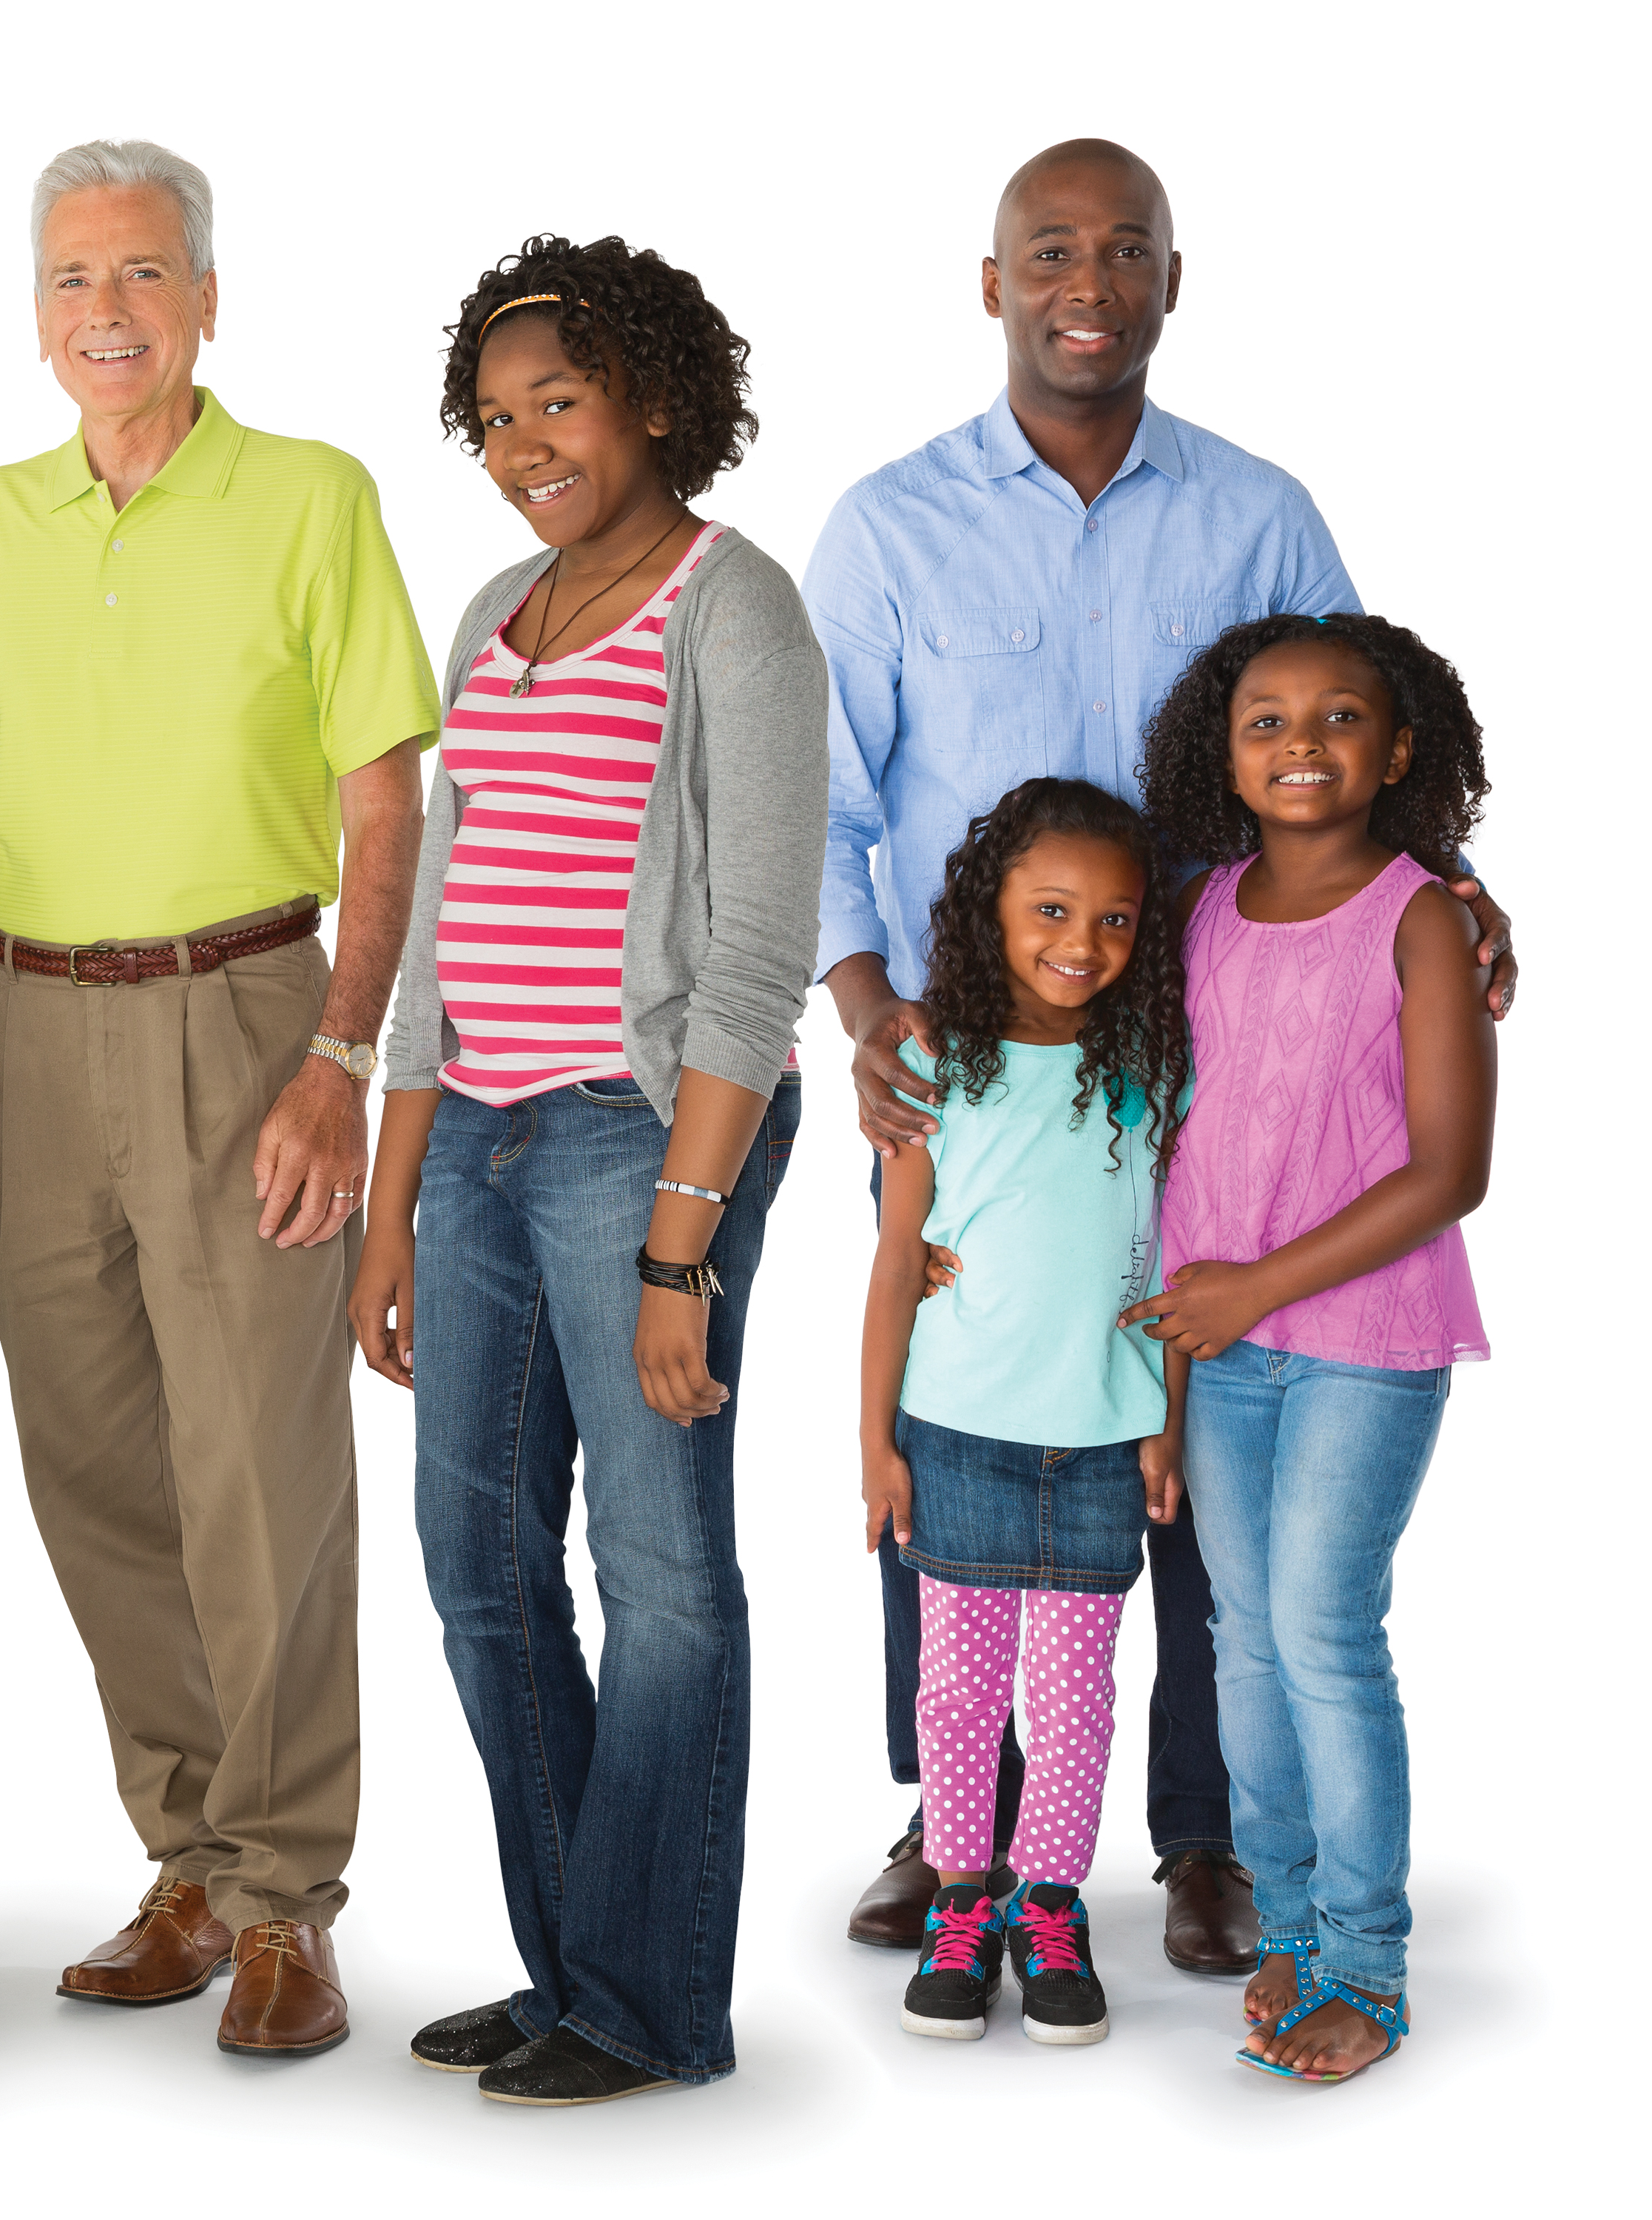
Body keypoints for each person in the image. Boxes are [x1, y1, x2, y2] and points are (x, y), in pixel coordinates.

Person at [806, 139, 1517, 1971]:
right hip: (976, 1055)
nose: (1088, 281)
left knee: (1188, 1386)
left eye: (1127, 250)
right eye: (1051, 250)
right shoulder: (889, 527)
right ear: (991, 283)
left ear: (1173, 283)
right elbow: (825, 804)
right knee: (973, 1356)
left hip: (1214, 1049)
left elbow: (1365, 725)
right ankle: (950, 1817)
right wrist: (872, 1008)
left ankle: (1202, 1831)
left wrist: (1461, 897)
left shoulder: (1263, 510)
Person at [0, 139, 431, 2064]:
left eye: (136, 274)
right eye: (65, 279)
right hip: (23, 1032)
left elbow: (383, 804)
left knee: (255, 1470)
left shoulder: (307, 499)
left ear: (205, 299)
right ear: (32, 315)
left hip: (240, 1013)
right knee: (96, 1466)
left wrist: (337, 1063)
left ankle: (289, 1895)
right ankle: (188, 1855)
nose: (100, 310)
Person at [355, 239, 820, 2106]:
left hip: (646, 1138)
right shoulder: (495, 614)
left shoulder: (736, 605)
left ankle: (652, 2004)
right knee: (477, 1565)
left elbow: (760, 952)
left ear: (652, 395)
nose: (526, 442)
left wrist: (678, 1248)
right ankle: (572, 1971)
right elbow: (441, 930)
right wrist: (390, 1200)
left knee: (660, 1568)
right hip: (473, 1132)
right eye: (494, 418)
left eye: (558, 399)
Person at [1133, 613, 1491, 2085]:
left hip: (1364, 1338)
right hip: (1218, 1352)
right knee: (1243, 1645)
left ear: (1398, 750)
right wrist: (1166, 1378)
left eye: (1338, 719)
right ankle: (1283, 1917)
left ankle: (1369, 1963)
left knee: (1325, 1638)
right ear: (1224, 752)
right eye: (1265, 720)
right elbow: (1171, 1159)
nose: (1300, 744)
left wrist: (1255, 1287)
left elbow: (1448, 1173)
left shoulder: (1421, 918)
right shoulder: (1200, 910)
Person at [851, 781, 1190, 2051]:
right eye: (1050, 909)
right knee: (955, 1692)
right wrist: (873, 1443)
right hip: (955, 1432)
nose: (1079, 942)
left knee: (1073, 1696)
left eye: (1112, 918)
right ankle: (960, 1899)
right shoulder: (935, 1058)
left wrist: (1164, 1421)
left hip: (1101, 1435)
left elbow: (1169, 1256)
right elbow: (894, 1261)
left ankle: (1049, 1904)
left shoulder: (1149, 1061)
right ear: (987, 908)